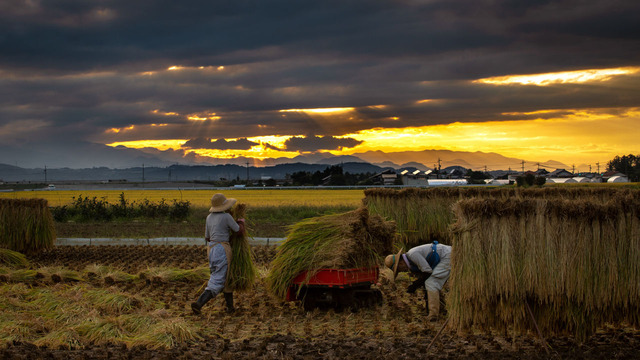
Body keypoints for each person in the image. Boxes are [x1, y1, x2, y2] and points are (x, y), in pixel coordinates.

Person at [191, 193, 245, 315]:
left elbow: (207, 237)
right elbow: (238, 231)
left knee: (225, 277)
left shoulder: (209, 217)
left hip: (211, 249)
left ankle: (230, 308)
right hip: (222, 249)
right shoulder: (226, 217)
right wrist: (241, 222)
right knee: (219, 278)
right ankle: (199, 303)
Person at [384, 241, 451, 321]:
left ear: (401, 263)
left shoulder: (413, 254)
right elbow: (424, 279)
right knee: (428, 283)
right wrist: (417, 284)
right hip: (443, 258)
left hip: (447, 256)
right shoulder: (411, 264)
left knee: (431, 283)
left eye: (399, 270)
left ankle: (433, 315)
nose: (402, 271)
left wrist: (415, 285)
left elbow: (427, 272)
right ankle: (433, 310)